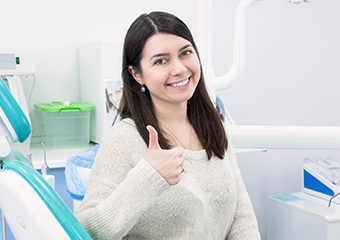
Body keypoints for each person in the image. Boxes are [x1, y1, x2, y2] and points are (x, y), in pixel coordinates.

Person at [75, 11, 261, 240]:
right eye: (161, 61)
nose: (180, 69)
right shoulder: (125, 138)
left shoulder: (213, 128)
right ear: (137, 75)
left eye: (186, 53)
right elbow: (86, 231)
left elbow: (241, 217)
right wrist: (148, 177)